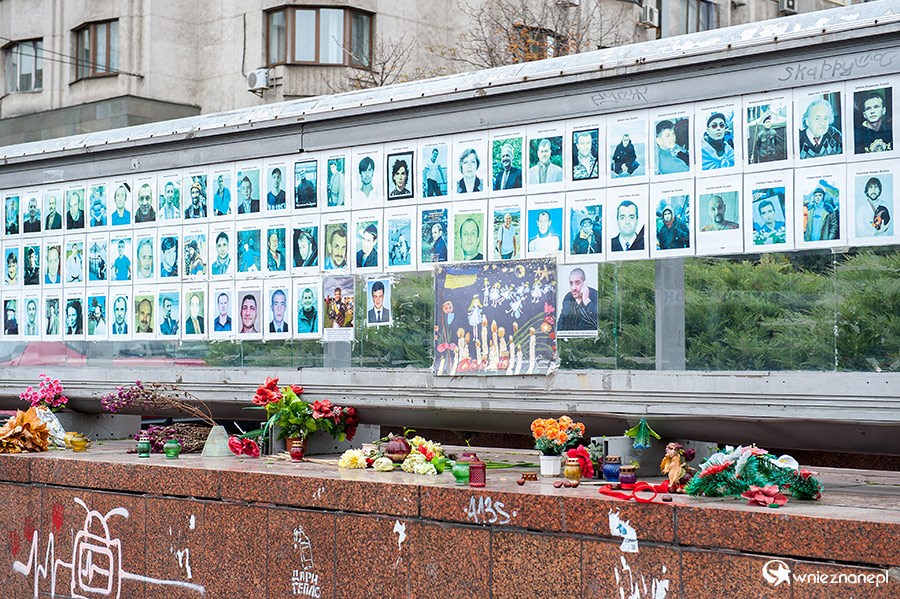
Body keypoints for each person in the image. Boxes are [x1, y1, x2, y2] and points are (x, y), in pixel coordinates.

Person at [558, 268, 598, 332]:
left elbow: (598, 322)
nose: (573, 288)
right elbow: (561, 323)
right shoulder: (568, 298)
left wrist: (586, 301)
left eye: (577, 283)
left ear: (584, 283)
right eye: (571, 283)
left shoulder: (595, 296)